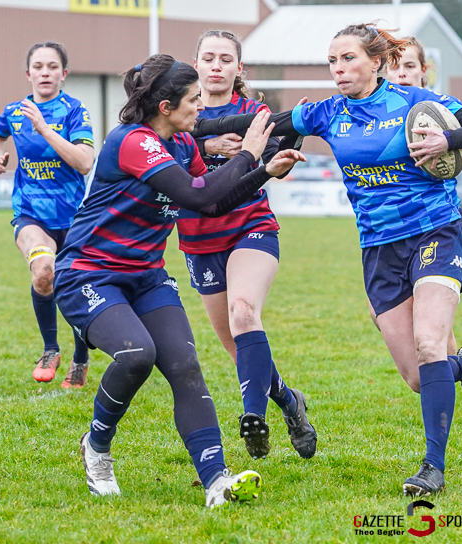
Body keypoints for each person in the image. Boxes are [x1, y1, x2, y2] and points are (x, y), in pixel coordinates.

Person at [192, 23, 462, 495]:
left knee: (429, 343)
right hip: (378, 249)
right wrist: (193, 127)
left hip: (435, 231)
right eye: (332, 61)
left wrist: (447, 141)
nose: (338, 69)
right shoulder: (327, 112)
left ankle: (432, 468)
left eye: (348, 58)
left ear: (376, 62)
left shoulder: (413, 102)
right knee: (419, 377)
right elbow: (262, 123)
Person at [53, 54, 305, 507]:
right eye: (192, 100)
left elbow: (212, 203)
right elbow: (195, 193)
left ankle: (216, 481)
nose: (200, 107)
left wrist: (262, 172)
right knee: (137, 354)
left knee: (186, 367)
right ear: (166, 107)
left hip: (147, 277)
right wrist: (249, 153)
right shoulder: (133, 141)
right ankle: (97, 446)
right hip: (88, 273)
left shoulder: (184, 144)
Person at [177, 30, 317, 460]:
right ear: (196, 65)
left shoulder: (254, 112)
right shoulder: (179, 111)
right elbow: (161, 152)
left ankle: (252, 417)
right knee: (238, 347)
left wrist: (281, 147)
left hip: (250, 227)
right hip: (199, 238)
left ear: (239, 68)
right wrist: (207, 144)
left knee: (243, 312)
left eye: (225, 59)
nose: (216, 66)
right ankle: (290, 402)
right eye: (208, 58)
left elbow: (275, 160)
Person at [0, 42, 93, 387]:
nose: (45, 73)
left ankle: (80, 358)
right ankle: (50, 349)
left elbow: (84, 162)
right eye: (38, 66)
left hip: (74, 218)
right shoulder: (14, 112)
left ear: (64, 74)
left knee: (76, 288)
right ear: (28, 73)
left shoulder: (75, 111)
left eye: (52, 66)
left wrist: (45, 129)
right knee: (44, 272)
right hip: (30, 214)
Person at [382, 37, 462, 353]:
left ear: (424, 70)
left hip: (437, 222)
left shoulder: (441, 108)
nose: (402, 73)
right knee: (387, 316)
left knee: (430, 322)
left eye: (409, 66)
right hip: (389, 229)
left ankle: (447, 369)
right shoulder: (378, 112)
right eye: (394, 67)